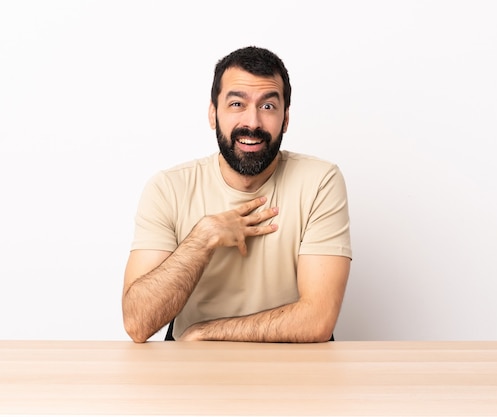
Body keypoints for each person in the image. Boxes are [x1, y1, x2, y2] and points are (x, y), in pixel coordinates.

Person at [122, 46, 352, 343]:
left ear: (285, 118)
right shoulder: (168, 188)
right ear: (213, 114)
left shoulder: (320, 181)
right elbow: (138, 323)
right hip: (192, 368)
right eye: (236, 104)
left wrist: (206, 332)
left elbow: (318, 319)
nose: (253, 123)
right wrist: (203, 237)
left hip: (292, 365)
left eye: (268, 106)